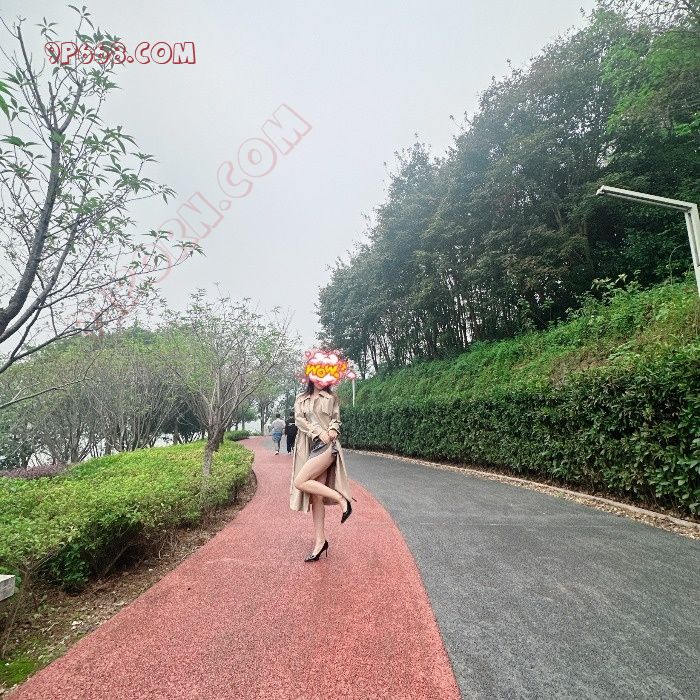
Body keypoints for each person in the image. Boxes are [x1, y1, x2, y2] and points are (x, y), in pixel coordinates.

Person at [290, 375, 355, 562]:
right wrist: (319, 432)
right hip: (308, 446)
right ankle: (320, 541)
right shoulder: (301, 399)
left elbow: (336, 419)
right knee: (316, 497)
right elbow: (300, 421)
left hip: (327, 446)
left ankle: (342, 499)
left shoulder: (331, 398)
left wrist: (333, 429)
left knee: (300, 481)